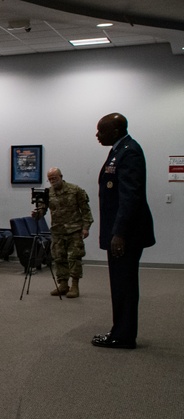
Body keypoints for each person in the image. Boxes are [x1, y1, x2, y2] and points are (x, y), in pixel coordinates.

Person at [92, 113, 155, 349]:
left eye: (101, 131)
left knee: (124, 285)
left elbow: (130, 197)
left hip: (125, 234)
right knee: (120, 285)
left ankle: (124, 335)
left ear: (115, 131)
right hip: (120, 231)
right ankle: (120, 330)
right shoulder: (119, 149)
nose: (97, 135)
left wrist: (119, 233)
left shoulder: (129, 152)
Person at [32, 167, 93, 297]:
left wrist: (86, 227)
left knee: (74, 258)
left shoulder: (75, 190)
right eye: (50, 179)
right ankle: (63, 284)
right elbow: (43, 209)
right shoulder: (48, 193)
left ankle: (75, 285)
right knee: (59, 258)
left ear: (61, 176)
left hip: (74, 230)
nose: (52, 181)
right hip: (57, 231)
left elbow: (86, 210)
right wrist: (37, 213)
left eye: (55, 178)